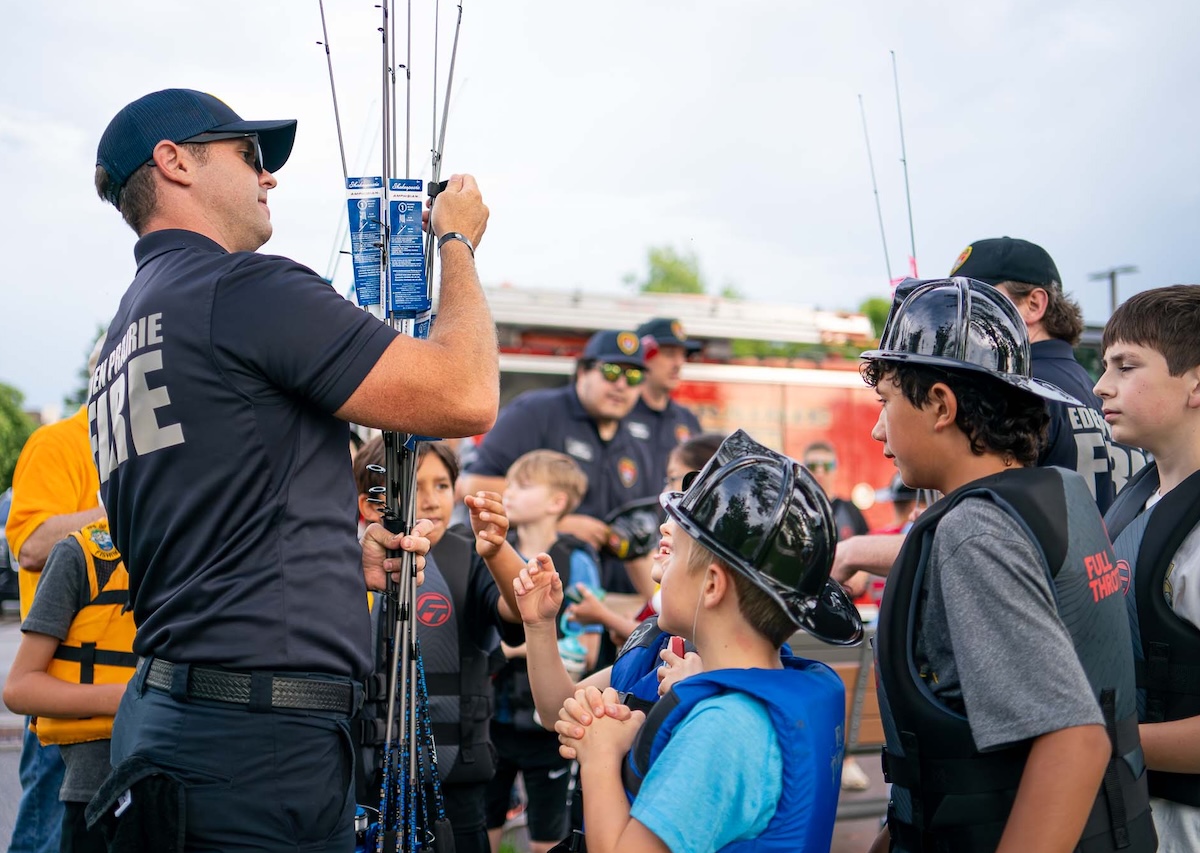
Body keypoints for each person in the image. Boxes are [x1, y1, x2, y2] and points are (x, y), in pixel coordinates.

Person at [86, 87, 498, 851]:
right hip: (259, 744)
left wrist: (335, 557)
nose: (268, 175)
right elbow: (466, 394)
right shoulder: (239, 287)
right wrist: (457, 246)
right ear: (174, 163)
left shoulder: (123, 335)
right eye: (248, 156)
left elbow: (210, 525)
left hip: (176, 716)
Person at [860, 277, 1155, 853]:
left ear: (941, 405)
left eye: (886, 402)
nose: (878, 429)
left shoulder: (975, 533)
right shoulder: (1060, 496)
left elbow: (1074, 742)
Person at [514, 429, 862, 853]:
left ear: (712, 586)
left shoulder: (725, 727)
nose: (661, 556)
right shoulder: (764, 687)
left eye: (674, 554)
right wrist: (539, 626)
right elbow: (555, 710)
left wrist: (601, 754)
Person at [353, 438, 525, 853]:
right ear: (371, 505)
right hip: (363, 783)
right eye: (415, 486)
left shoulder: (471, 557)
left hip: (455, 786)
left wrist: (498, 550)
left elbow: (520, 613)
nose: (430, 500)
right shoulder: (347, 563)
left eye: (442, 486)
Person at [1095, 284, 1200, 850]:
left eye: (1126, 365)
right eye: (1104, 365)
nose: (1101, 385)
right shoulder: (1136, 499)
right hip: (1133, 813)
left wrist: (1086, 740)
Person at [951, 236, 1149, 507]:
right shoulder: (1093, 388)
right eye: (956, 300)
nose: (960, 313)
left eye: (979, 299)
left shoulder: (1013, 389)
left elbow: (981, 523)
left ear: (1033, 304)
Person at [4, 332, 107, 853]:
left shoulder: (142, 448)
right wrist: (127, 505)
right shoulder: (58, 442)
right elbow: (31, 546)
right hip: (58, 682)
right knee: (46, 837)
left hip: (122, 689)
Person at [459, 330, 658, 596]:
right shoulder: (535, 413)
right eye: (611, 371)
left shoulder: (637, 444)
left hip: (607, 604)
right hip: (528, 590)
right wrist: (558, 522)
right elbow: (473, 487)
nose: (621, 385)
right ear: (583, 371)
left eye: (634, 377)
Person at [484, 450, 604, 853]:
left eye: (524, 485)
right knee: (487, 822)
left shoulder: (578, 561)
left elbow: (586, 653)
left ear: (557, 502)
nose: (509, 492)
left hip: (546, 729)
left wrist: (516, 649)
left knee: (548, 835)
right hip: (494, 717)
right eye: (509, 482)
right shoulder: (494, 551)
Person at [3, 518, 133, 853]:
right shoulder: (82, 555)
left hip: (187, 789)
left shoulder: (202, 551)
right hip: (96, 793)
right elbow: (19, 689)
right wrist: (126, 698)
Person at [625, 318, 703, 491]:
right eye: (669, 354)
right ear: (643, 356)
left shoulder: (687, 420)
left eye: (683, 355)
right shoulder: (620, 413)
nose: (679, 364)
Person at [802, 441, 869, 540]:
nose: (820, 472)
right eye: (813, 466)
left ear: (835, 469)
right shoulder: (797, 510)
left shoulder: (851, 510)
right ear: (804, 469)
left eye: (826, 466)